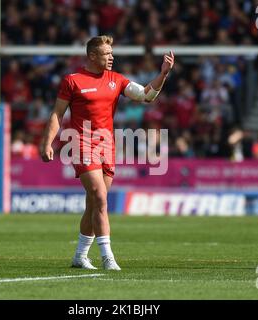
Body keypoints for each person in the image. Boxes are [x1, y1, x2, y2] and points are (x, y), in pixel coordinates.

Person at [40, 35, 174, 270]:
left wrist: (163, 74)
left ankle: (80, 256)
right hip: (81, 143)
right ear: (92, 56)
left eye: (112, 53)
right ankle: (108, 257)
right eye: (106, 54)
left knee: (94, 204)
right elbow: (57, 114)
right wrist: (47, 142)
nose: (112, 57)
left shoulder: (117, 80)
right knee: (100, 197)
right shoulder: (73, 80)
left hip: (107, 146)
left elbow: (146, 95)